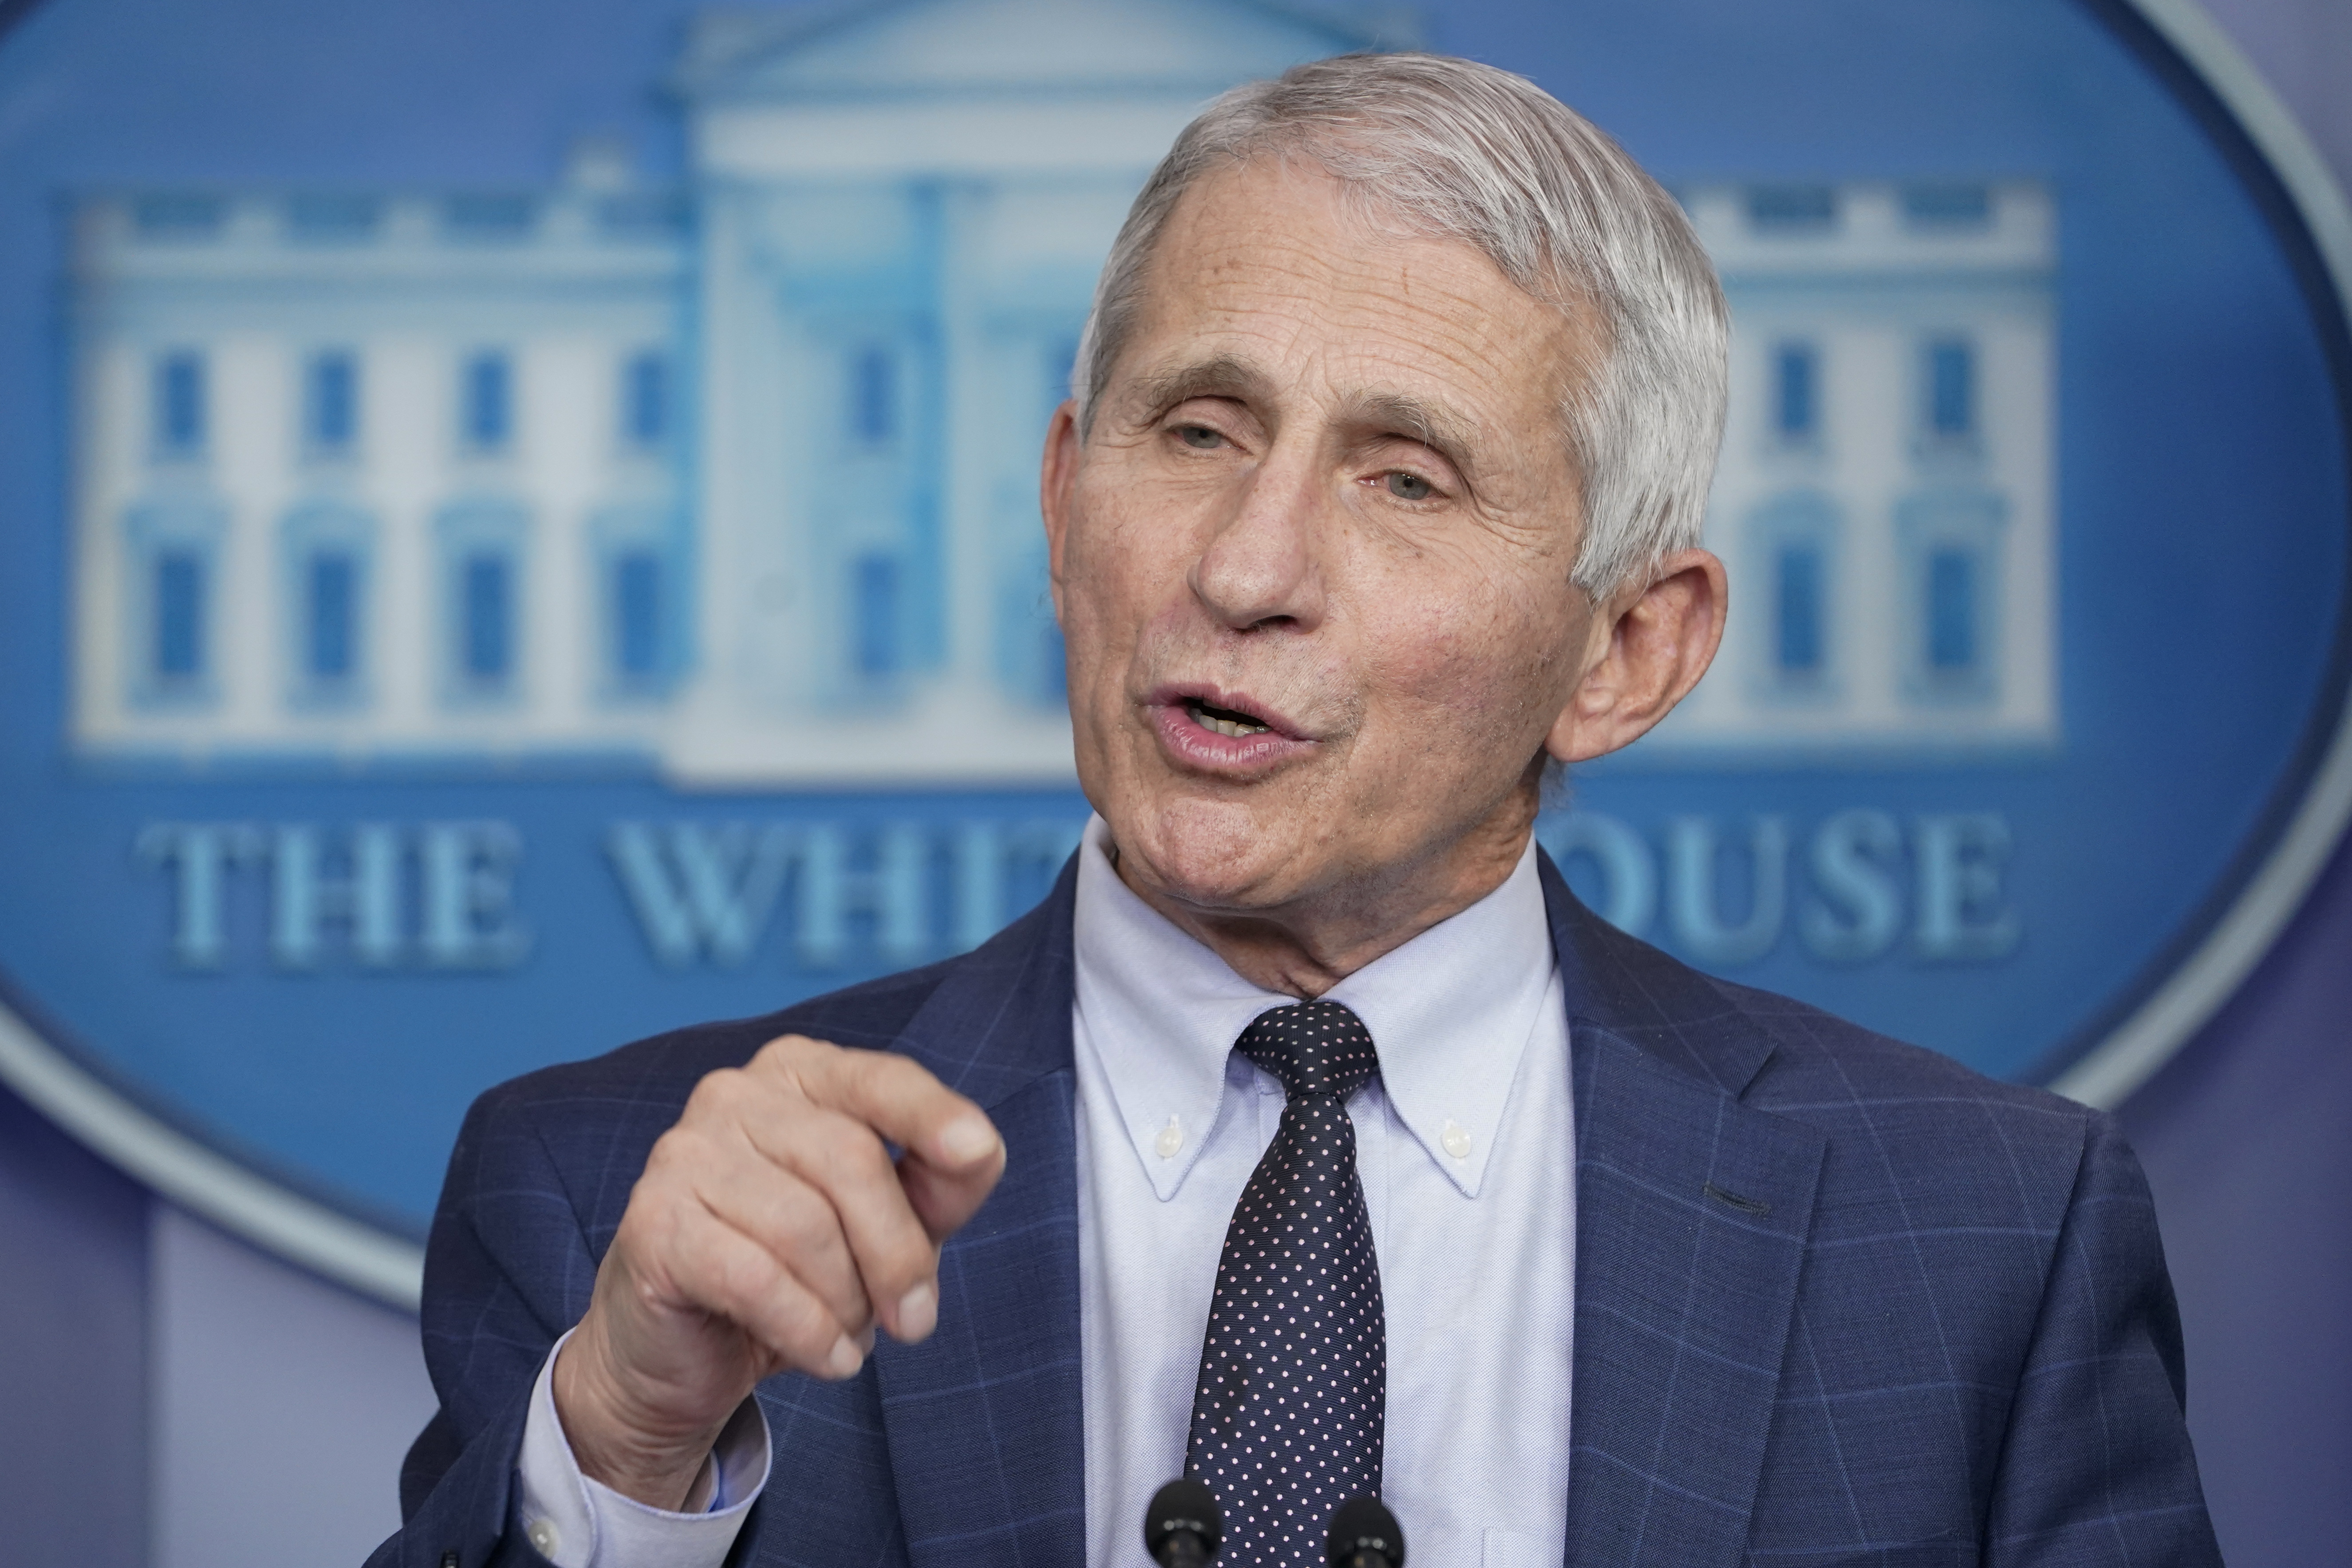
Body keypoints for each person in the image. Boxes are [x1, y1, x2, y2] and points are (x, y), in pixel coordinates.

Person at [371, 52, 2219, 1568]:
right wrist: (623, 1437)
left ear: (1629, 651)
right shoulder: (615, 1200)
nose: (1247, 566)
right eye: (1197, 433)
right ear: (1063, 500)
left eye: (1405, 480)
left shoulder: (1985, 1237)